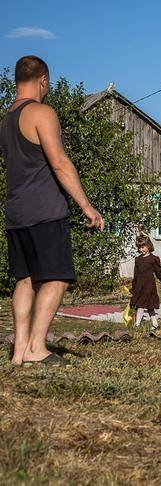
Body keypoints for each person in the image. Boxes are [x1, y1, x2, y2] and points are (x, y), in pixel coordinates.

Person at [1, 56, 104, 366]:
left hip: (16, 211)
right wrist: (87, 206)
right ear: (43, 80)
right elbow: (59, 162)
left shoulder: (5, 121)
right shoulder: (41, 113)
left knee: (25, 279)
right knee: (56, 277)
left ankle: (18, 352)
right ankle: (36, 346)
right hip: (44, 209)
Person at [130, 235, 161, 331]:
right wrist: (133, 288)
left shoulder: (153, 259)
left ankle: (143, 324)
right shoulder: (138, 260)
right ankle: (149, 324)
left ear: (148, 246)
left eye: (143, 247)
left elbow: (159, 272)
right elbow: (136, 275)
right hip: (140, 285)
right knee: (141, 305)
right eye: (139, 247)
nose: (141, 249)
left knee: (147, 305)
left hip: (149, 286)